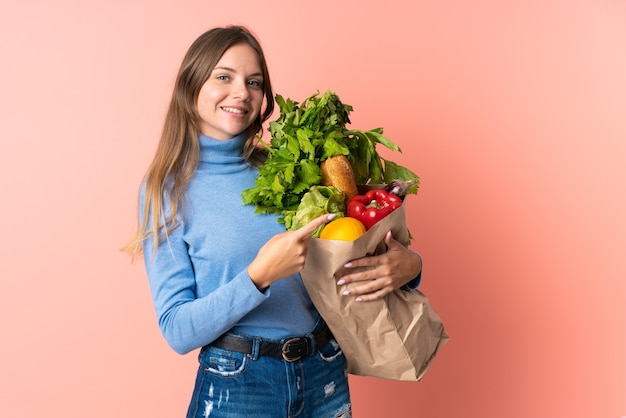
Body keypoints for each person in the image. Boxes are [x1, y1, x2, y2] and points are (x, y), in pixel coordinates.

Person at [124, 25, 423, 418]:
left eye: (254, 81)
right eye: (223, 76)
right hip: (239, 385)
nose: (241, 92)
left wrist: (410, 268)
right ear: (191, 83)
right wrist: (257, 277)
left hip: (323, 372)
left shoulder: (289, 170)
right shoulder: (167, 189)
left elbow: (348, 253)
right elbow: (178, 330)